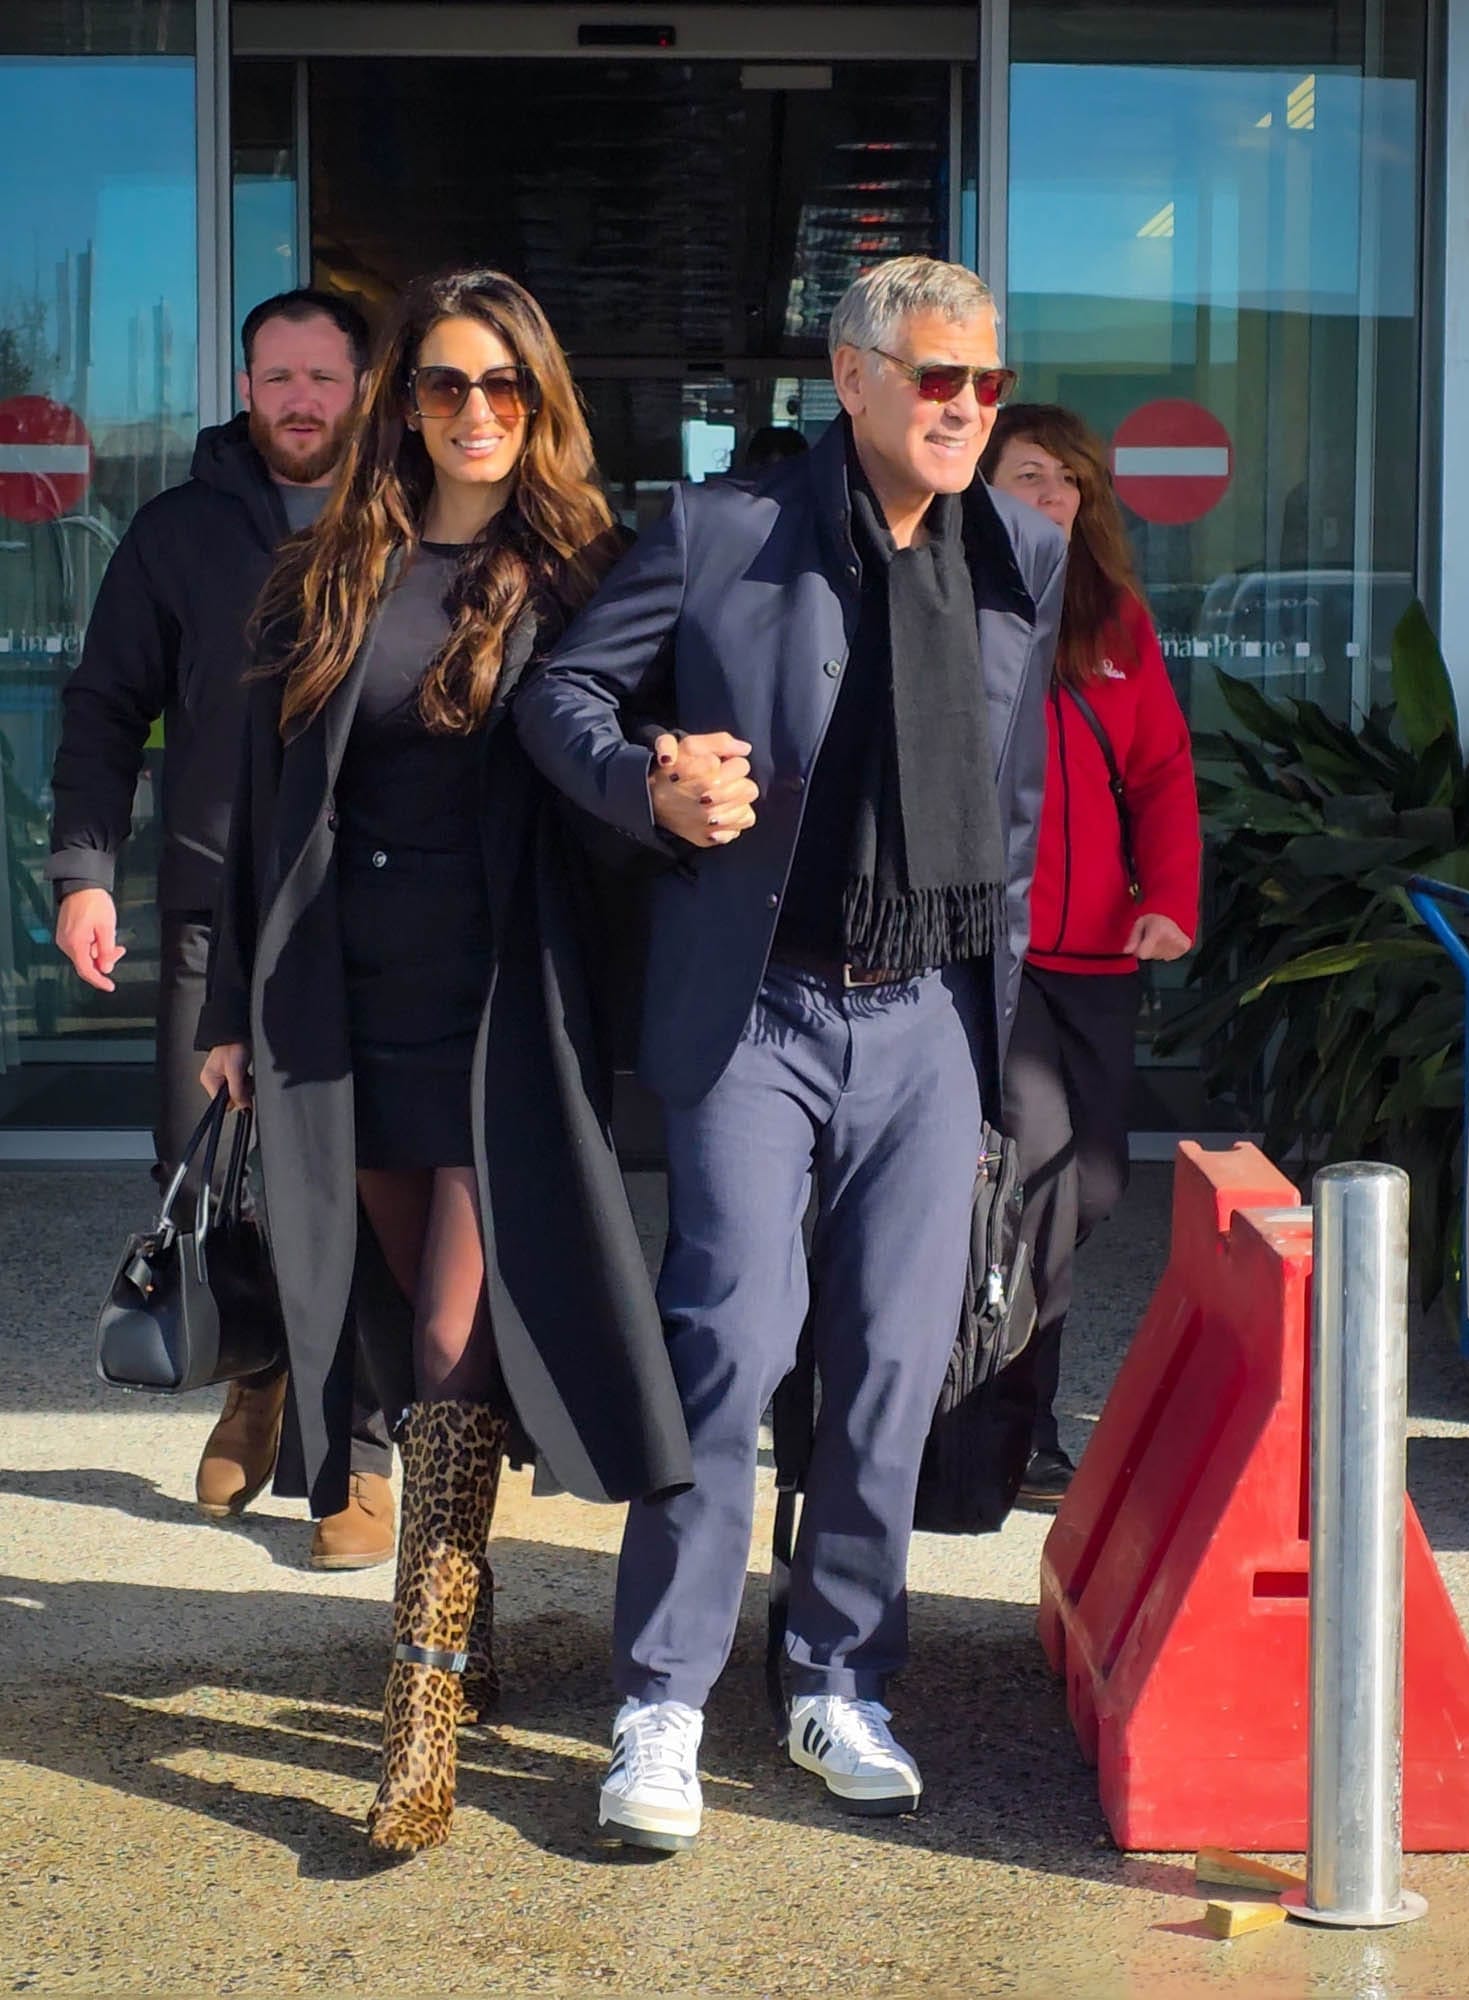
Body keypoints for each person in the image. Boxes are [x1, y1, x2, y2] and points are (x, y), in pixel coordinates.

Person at [516, 254, 1066, 1852]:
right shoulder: (723, 532)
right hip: (758, 1004)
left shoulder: (1022, 548)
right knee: (732, 1343)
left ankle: (836, 1672)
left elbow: (1014, 799)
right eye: (937, 377)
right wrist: (650, 783)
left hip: (927, 1012)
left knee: (893, 1364)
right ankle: (663, 1699)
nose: (966, 406)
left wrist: (996, 1027)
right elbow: (562, 694)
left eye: (986, 382)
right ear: (853, 376)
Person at [195, 267, 691, 1858]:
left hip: (505, 1012)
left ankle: (417, 1712)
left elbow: (630, 777)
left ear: (541, 404)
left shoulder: (592, 574)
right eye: (443, 384)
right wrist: (224, 1010)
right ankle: (463, 1635)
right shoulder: (325, 570)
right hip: (346, 1008)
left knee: (454, 1342)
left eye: (503, 386)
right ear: (400, 402)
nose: (475, 412)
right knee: (405, 1328)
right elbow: (249, 806)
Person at [47, 289, 399, 1570]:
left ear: (361, 386)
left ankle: (356, 1452)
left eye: (323, 376)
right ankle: (256, 1372)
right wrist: (85, 870)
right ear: (245, 388)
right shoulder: (179, 530)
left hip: (365, 904)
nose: (301, 400)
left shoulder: (403, 520)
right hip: (210, 904)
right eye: (277, 377)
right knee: (196, 1162)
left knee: (357, 1180)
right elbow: (104, 704)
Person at [983, 404, 1201, 1506]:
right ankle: (1013, 1429)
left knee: (1094, 1184)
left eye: (1068, 479)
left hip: (1100, 952)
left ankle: (990, 1397)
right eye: (1029, 474)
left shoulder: (1111, 618)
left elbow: (1159, 770)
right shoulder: (952, 601)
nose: (1054, 495)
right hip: (993, 951)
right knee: (1037, 1175)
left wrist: (1168, 898)